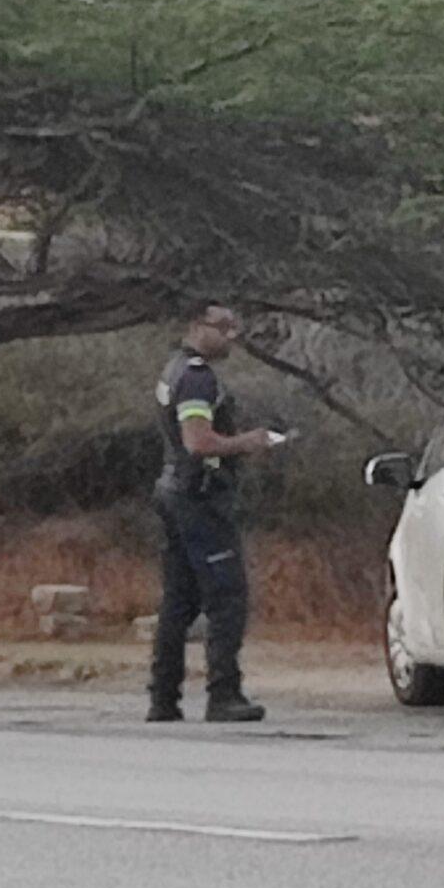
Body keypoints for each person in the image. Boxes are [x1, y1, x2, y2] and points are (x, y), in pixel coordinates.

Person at [147, 302, 284, 724]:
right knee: (227, 597)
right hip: (198, 499)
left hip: (174, 491)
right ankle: (223, 694)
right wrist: (248, 442)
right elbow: (198, 441)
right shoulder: (196, 378)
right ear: (195, 325)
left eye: (234, 327)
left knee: (179, 600)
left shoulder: (174, 368)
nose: (231, 336)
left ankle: (163, 698)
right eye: (222, 327)